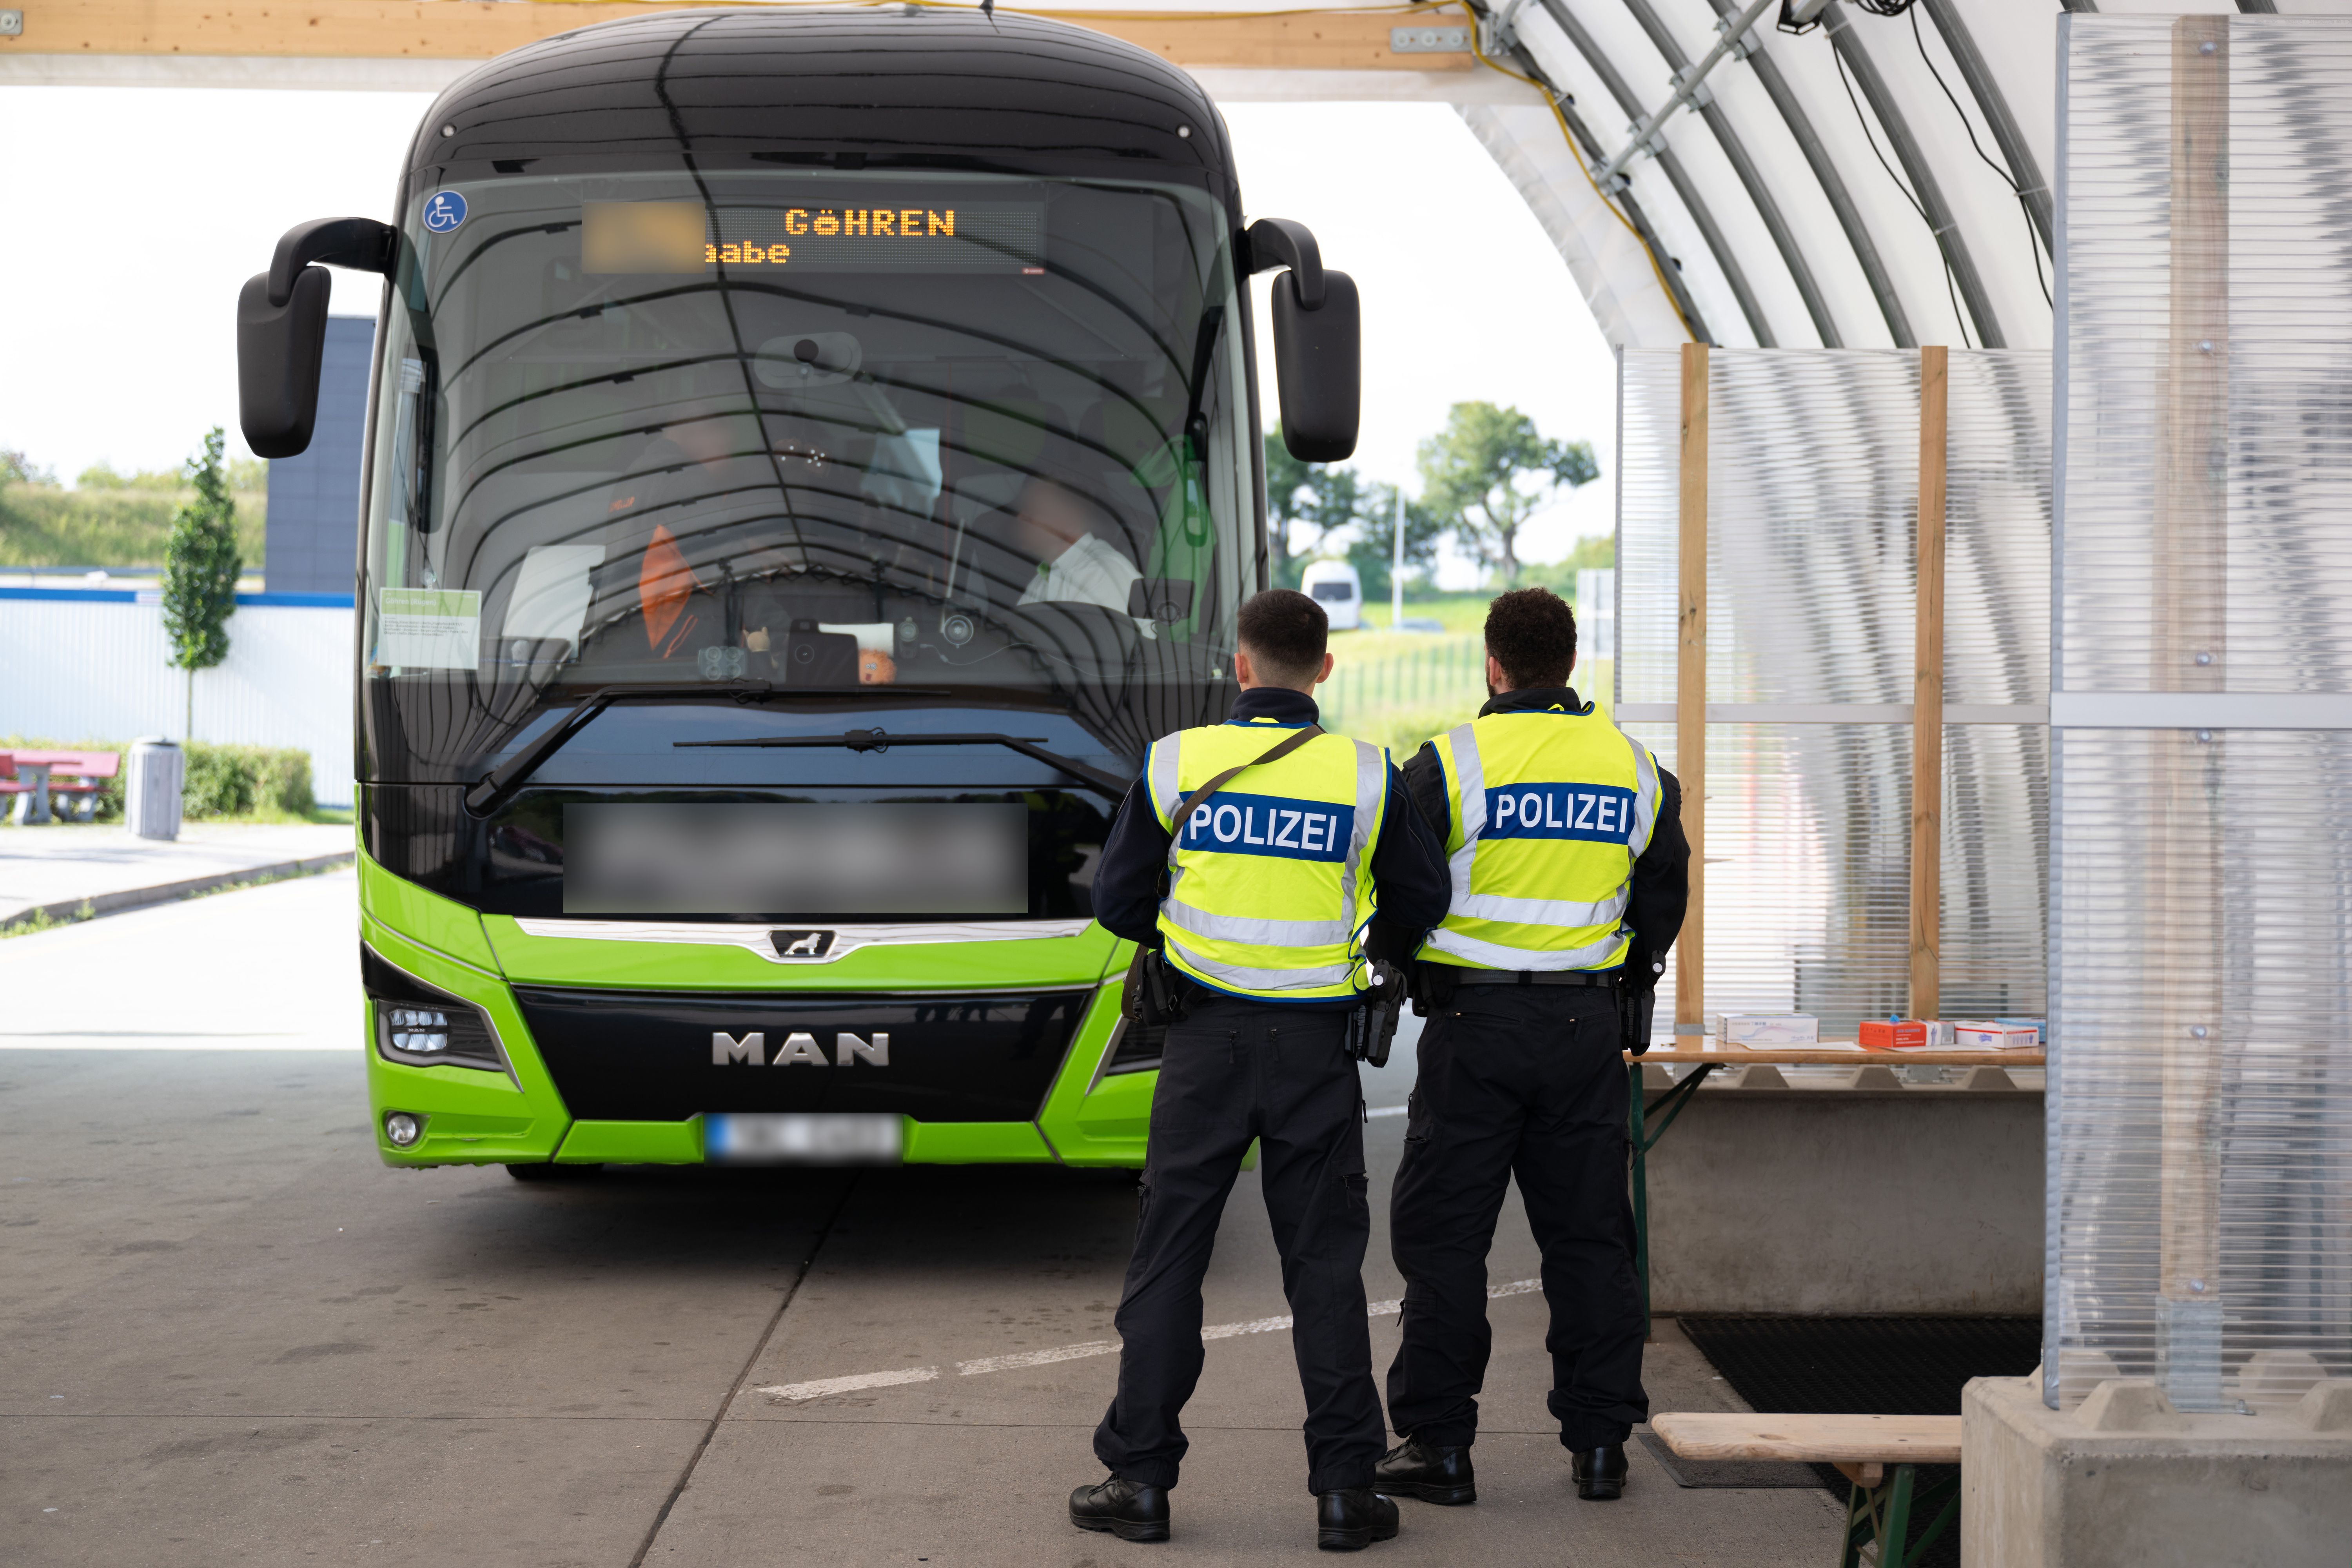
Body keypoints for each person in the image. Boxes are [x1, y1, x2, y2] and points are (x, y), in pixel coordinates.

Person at [1071, 588, 1449, 1551]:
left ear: (1239, 668)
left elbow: (1118, 900)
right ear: (1325, 669)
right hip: (1316, 1052)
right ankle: (1345, 1490)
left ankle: (1141, 1480)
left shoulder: (1177, 761)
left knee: (1171, 1256)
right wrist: (1375, 949)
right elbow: (1420, 898)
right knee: (1324, 1266)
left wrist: (1190, 930)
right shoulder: (1366, 776)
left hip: (1201, 1044)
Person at [1374, 586, 1688, 1507]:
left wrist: (1400, 960)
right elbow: (1662, 896)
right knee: (1591, 1239)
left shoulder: (1450, 761)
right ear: (1572, 665)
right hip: (1584, 1030)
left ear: (1493, 665)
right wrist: (1626, 971)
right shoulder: (1634, 768)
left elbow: (1403, 887)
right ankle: (1600, 1445)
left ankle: (1439, 1444)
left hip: (1471, 1030)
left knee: (1445, 1240)